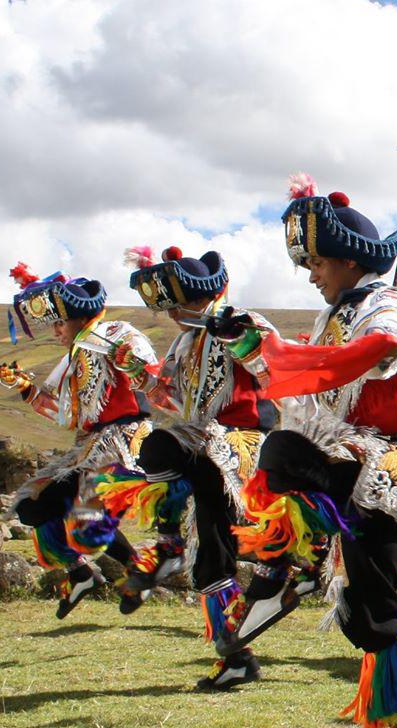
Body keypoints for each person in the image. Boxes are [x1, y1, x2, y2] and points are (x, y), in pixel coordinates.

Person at [215, 179, 397, 728]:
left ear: (350, 260)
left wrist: (281, 351)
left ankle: (282, 573)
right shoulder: (335, 316)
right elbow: (300, 389)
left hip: (387, 463)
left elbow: (367, 356)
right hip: (350, 462)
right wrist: (253, 346)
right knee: (363, 601)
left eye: (318, 262)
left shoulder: (389, 305)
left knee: (283, 455)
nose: (311, 274)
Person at [96, 247, 276, 691]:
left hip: (239, 443)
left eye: (181, 304)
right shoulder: (182, 342)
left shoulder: (241, 320)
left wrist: (241, 341)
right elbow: (170, 398)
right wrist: (139, 374)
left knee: (159, 445)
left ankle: (169, 543)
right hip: (201, 449)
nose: (174, 314)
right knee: (209, 556)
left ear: (202, 295)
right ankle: (236, 656)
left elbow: (276, 371)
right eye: (169, 307)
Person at [0, 263, 155, 618]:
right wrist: (26, 388)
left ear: (78, 317)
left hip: (125, 443)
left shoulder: (114, 334)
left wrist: (131, 362)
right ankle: (82, 573)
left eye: (58, 322)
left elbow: (148, 372)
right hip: (91, 445)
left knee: (87, 518)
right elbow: (70, 417)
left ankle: (138, 570)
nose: (54, 331)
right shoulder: (73, 358)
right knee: (34, 506)